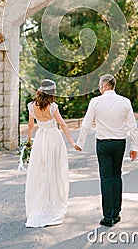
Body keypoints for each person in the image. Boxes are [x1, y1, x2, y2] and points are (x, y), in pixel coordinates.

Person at [76, 74, 138, 227]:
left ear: (104, 86)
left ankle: (108, 216)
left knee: (106, 177)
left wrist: (80, 143)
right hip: (119, 143)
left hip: (103, 144)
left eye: (99, 85)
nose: (99, 88)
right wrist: (134, 147)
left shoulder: (95, 102)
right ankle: (116, 213)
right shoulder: (125, 102)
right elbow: (132, 126)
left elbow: (86, 123)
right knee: (117, 175)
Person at [25, 79, 80, 228]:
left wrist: (29, 141)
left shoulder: (31, 106)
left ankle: (41, 203)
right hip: (54, 139)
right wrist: (72, 143)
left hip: (40, 139)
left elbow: (31, 125)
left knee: (41, 171)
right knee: (55, 170)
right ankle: (52, 202)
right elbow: (62, 124)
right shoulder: (52, 107)